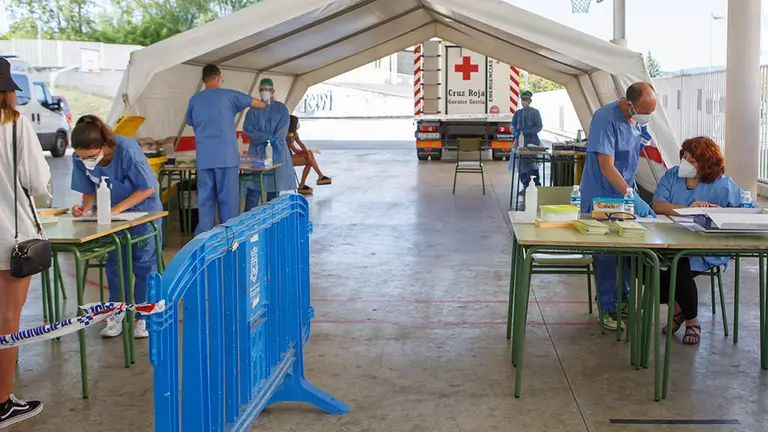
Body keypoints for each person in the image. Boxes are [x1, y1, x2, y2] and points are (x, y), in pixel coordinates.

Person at [652, 136, 753, 345]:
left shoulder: (723, 185)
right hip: (672, 239)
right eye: (685, 157)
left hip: (706, 246)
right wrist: (690, 210)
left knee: (679, 264)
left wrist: (721, 211)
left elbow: (748, 209)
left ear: (706, 163)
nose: (685, 162)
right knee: (644, 262)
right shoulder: (672, 176)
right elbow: (658, 205)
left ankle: (691, 321)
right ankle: (679, 309)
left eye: (692, 159)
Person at [70, 115, 163, 339]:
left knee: (144, 264)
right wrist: (85, 209)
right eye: (82, 157)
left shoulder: (126, 150)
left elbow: (147, 188)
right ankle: (116, 314)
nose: (86, 161)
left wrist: (116, 209)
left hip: (143, 211)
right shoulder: (79, 157)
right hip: (111, 217)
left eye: (91, 157)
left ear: (104, 145)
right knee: (115, 265)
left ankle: (144, 316)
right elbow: (90, 191)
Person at [579, 82, 657, 331]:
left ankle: (623, 299)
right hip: (602, 195)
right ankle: (608, 306)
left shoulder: (636, 120)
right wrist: (632, 195)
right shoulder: (605, 118)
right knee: (607, 254)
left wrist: (630, 194)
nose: (647, 117)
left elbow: (632, 155)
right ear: (629, 103)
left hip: (624, 193)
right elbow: (607, 166)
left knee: (626, 250)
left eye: (650, 112)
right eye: (644, 111)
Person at [0, 57, 49, 428]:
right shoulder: (14, 127)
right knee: (7, 321)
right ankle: (2, 403)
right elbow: (36, 181)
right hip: (9, 239)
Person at [185, 64, 266, 235]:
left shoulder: (194, 100)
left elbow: (191, 123)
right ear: (219, 77)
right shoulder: (230, 96)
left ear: (203, 80)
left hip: (205, 158)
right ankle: (229, 237)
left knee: (205, 201)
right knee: (227, 201)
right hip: (226, 158)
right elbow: (258, 104)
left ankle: (204, 239)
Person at [242, 78, 296, 211]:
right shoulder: (253, 111)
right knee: (254, 189)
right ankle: (250, 223)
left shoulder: (281, 109)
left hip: (276, 151)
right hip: (257, 152)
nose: (264, 92)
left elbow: (282, 131)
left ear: (273, 91)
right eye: (262, 90)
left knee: (274, 188)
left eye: (267, 89)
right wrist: (266, 137)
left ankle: (271, 220)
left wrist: (273, 140)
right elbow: (248, 130)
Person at [287, 115, 331, 195]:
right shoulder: (288, 134)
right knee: (309, 160)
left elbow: (301, 144)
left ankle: (317, 178)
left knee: (309, 156)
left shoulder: (294, 133)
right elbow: (294, 149)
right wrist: (305, 154)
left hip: (291, 156)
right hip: (286, 157)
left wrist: (307, 153)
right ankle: (318, 177)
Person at [510, 90, 543, 191]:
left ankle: (535, 185)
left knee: (532, 163)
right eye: (522, 99)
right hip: (519, 142)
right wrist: (516, 132)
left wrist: (528, 132)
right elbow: (512, 125)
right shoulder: (518, 113)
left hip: (532, 142)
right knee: (522, 164)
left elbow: (539, 126)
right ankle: (525, 185)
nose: (523, 101)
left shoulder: (535, 113)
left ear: (529, 100)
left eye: (525, 99)